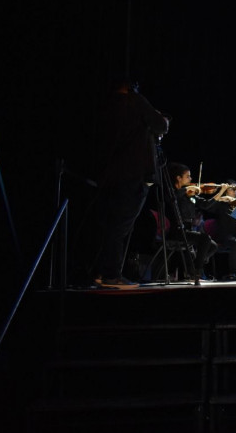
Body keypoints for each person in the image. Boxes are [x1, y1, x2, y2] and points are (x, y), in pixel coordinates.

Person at [92, 79, 169, 290]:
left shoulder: (108, 105)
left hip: (111, 175)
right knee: (121, 227)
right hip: (132, 175)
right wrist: (160, 119)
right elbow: (161, 125)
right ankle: (111, 275)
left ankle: (103, 272)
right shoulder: (134, 101)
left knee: (111, 225)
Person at [167, 162, 218, 281]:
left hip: (188, 229)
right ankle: (196, 271)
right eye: (188, 176)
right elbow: (172, 199)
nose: (191, 179)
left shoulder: (190, 194)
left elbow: (206, 205)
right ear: (178, 178)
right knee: (205, 239)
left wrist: (220, 193)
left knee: (213, 246)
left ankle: (192, 268)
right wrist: (186, 189)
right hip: (176, 231)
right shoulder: (172, 192)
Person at [204, 179, 236, 281]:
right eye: (232, 189)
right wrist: (221, 198)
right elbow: (208, 208)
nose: (235, 191)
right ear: (226, 190)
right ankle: (232, 273)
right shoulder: (220, 202)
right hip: (223, 234)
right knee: (235, 243)